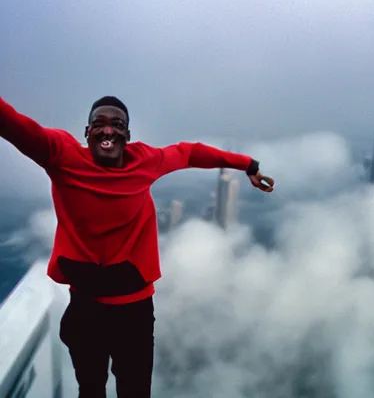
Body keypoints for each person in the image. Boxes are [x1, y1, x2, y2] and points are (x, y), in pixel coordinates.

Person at [0, 92, 275, 398]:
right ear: (86, 132)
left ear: (127, 136)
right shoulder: (60, 155)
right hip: (85, 307)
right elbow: (12, 123)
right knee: (90, 389)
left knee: (135, 392)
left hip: (135, 313)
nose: (108, 130)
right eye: (99, 123)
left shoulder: (145, 160)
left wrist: (249, 164)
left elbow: (190, 153)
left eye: (117, 124)